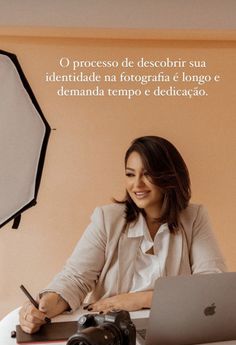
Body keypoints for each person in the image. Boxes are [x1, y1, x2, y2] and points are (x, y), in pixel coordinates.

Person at [19, 135, 226, 334]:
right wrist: (43, 306)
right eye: (130, 174)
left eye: (147, 174)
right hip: (111, 332)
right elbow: (75, 279)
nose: (137, 184)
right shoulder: (107, 219)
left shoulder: (194, 217)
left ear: (169, 177)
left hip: (176, 329)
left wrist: (140, 299)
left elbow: (210, 286)